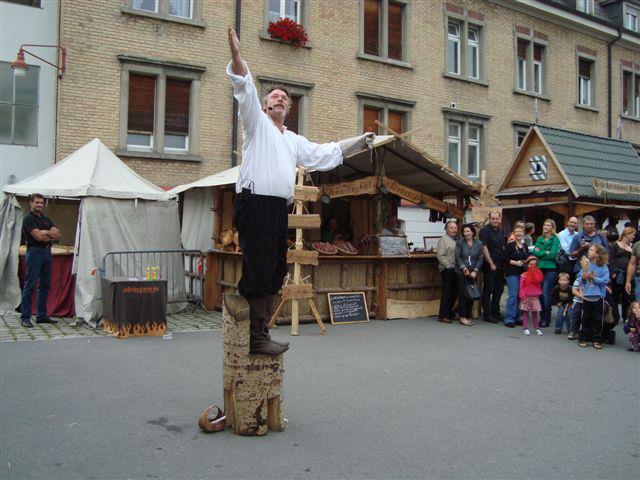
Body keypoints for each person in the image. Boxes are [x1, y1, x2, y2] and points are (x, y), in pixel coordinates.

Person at [227, 27, 373, 355]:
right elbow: (245, 92)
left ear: (289, 110)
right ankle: (252, 336)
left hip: (278, 208)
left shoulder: (292, 140)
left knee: (276, 268)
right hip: (255, 204)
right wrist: (238, 60)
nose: (279, 99)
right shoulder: (256, 125)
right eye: (273, 97)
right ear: (265, 106)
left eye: (284, 98)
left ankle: (259, 331)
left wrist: (358, 144)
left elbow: (324, 153)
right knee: (260, 267)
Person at [20, 193, 61, 328]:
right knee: (30, 285)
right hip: (34, 252)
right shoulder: (28, 219)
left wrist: (45, 232)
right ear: (31, 203)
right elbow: (38, 237)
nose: (39, 205)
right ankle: (25, 317)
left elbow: (58, 234)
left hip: (46, 253)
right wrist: (47, 234)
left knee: (45, 285)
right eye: (37, 202)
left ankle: (41, 315)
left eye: (41, 203)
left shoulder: (45, 219)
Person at [577, 244, 610, 350]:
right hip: (587, 296)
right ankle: (583, 338)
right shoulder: (586, 264)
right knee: (585, 318)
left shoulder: (603, 267)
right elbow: (580, 279)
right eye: (589, 249)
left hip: (598, 297)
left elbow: (605, 281)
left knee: (598, 319)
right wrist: (583, 277)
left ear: (597, 254)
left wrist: (593, 278)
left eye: (592, 250)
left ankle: (597, 339)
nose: (589, 251)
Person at [479, 211, 506, 323]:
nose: (495, 220)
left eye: (497, 218)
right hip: (490, 264)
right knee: (488, 289)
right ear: (489, 219)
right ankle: (487, 313)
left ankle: (496, 311)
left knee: (499, 289)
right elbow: (484, 247)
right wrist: (491, 263)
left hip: (500, 264)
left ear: (499, 219)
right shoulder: (485, 231)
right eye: (493, 218)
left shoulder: (499, 230)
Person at [533, 219, 560, 328]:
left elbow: (553, 254)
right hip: (539, 268)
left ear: (552, 228)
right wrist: (545, 252)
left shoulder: (555, 239)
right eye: (544, 225)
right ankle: (542, 316)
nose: (545, 227)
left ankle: (547, 318)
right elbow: (535, 252)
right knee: (539, 294)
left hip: (550, 269)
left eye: (548, 225)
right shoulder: (540, 238)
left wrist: (541, 252)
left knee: (546, 293)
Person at [455, 223, 483, 327]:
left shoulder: (479, 243)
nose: (466, 233)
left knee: (470, 294)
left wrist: (475, 270)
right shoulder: (460, 243)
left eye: (468, 231)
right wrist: (464, 268)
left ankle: (468, 316)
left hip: (473, 272)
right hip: (461, 271)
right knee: (463, 294)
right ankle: (462, 316)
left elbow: (480, 257)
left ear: (472, 232)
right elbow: (457, 257)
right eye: (464, 232)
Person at [504, 224, 528, 328]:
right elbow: (504, 259)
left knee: (520, 295)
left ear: (523, 234)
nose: (518, 233)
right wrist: (515, 262)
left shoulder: (525, 246)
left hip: (522, 274)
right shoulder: (510, 245)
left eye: (520, 232)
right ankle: (509, 318)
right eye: (516, 232)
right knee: (513, 295)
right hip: (512, 273)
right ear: (514, 233)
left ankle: (517, 317)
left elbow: (528, 258)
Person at [610, 227, 636, 324]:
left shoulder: (633, 246)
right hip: (617, 274)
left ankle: (626, 317)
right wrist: (612, 273)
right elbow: (611, 259)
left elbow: (635, 260)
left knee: (627, 297)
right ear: (627, 234)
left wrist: (630, 251)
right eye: (632, 234)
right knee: (615, 296)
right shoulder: (615, 245)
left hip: (628, 275)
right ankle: (615, 316)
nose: (634, 236)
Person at [436, 219, 458, 324]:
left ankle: (450, 313)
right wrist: (448, 266)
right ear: (446, 229)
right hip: (447, 269)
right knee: (447, 293)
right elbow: (440, 254)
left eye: (455, 228)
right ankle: (443, 315)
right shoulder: (443, 240)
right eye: (451, 228)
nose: (454, 230)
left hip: (455, 269)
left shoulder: (455, 240)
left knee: (454, 292)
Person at [519, 255, 544, 336]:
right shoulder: (524, 275)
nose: (532, 266)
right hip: (526, 296)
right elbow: (521, 286)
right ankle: (525, 328)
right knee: (525, 313)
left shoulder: (539, 273)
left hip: (535, 296)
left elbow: (539, 281)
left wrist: (534, 273)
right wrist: (522, 296)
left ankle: (536, 328)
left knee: (535, 313)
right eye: (530, 264)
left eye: (534, 264)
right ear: (527, 265)